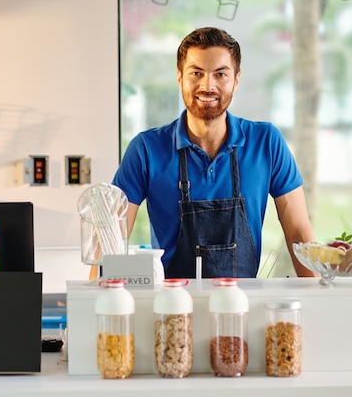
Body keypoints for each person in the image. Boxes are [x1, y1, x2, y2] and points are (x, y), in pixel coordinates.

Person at [112, 27, 315, 278]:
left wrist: (317, 302)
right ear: (180, 77)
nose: (207, 85)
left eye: (220, 74)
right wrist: (91, 306)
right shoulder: (145, 149)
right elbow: (113, 241)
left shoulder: (266, 142)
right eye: (196, 73)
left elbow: (299, 233)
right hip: (172, 308)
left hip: (244, 305)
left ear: (236, 80)